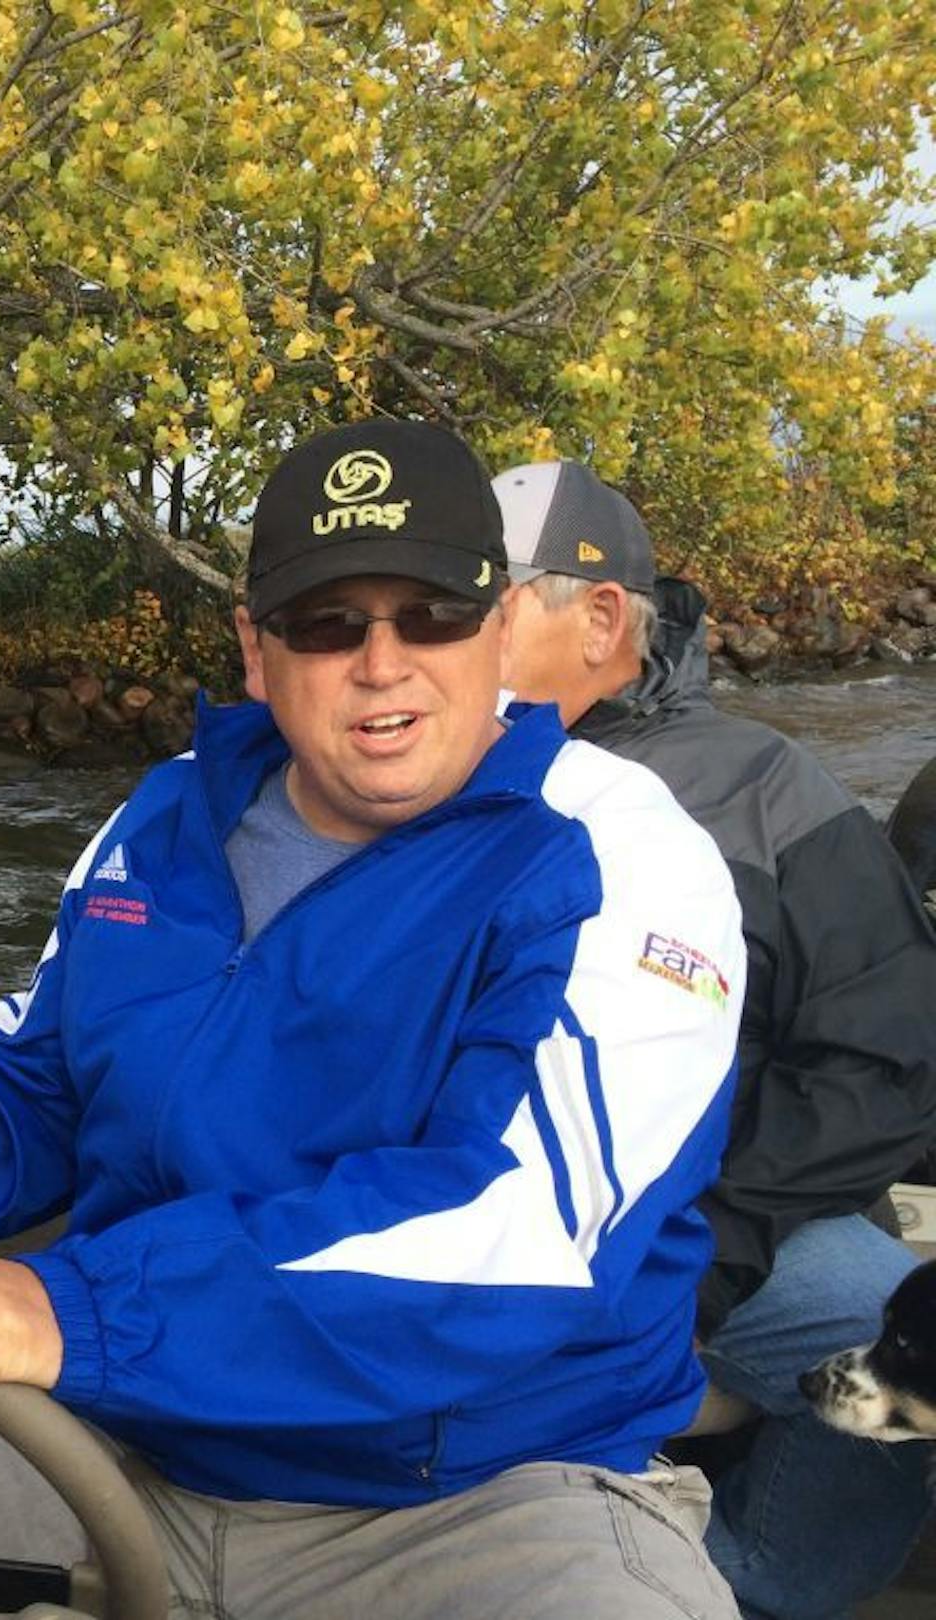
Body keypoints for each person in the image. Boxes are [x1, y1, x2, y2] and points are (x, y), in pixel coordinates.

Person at [0, 419, 749, 1619]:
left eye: (431, 615)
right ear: (256, 650)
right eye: (329, 623)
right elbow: (26, 1110)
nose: (382, 662)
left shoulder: (620, 853)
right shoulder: (160, 826)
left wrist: (61, 1310)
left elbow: (520, 1233)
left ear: (497, 630)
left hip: (485, 1496)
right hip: (135, 1441)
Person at [494, 458, 936, 1620]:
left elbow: (884, 1061)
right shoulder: (412, 774)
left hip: (730, 1217)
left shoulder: (770, 790)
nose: (432, 635)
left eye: (479, 599)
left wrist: (718, 1238)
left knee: (881, 1320)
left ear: (596, 619)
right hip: (491, 1210)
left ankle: (760, 1583)